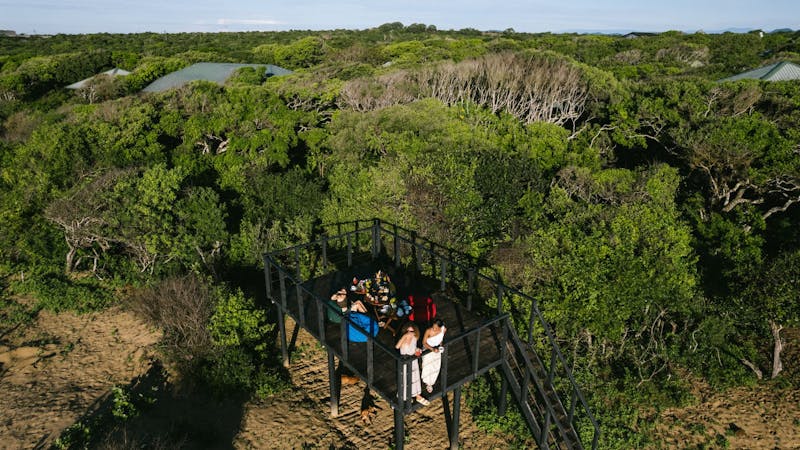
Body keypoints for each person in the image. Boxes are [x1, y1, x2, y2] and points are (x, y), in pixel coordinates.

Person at [395, 323, 429, 406]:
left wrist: (417, 350)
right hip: (405, 361)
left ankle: (417, 395)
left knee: (415, 377)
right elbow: (397, 346)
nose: (410, 333)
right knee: (405, 379)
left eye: (412, 331)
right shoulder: (403, 338)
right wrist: (405, 336)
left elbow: (414, 348)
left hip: (413, 360)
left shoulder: (414, 338)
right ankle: (405, 396)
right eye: (408, 331)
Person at [421, 319, 447, 394]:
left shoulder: (443, 329)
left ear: (440, 327)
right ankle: (427, 382)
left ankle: (431, 382)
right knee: (427, 366)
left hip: (436, 349)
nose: (434, 329)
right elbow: (424, 342)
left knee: (436, 366)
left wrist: (440, 346)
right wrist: (432, 349)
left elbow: (441, 339)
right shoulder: (428, 331)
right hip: (428, 349)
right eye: (433, 327)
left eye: (436, 328)